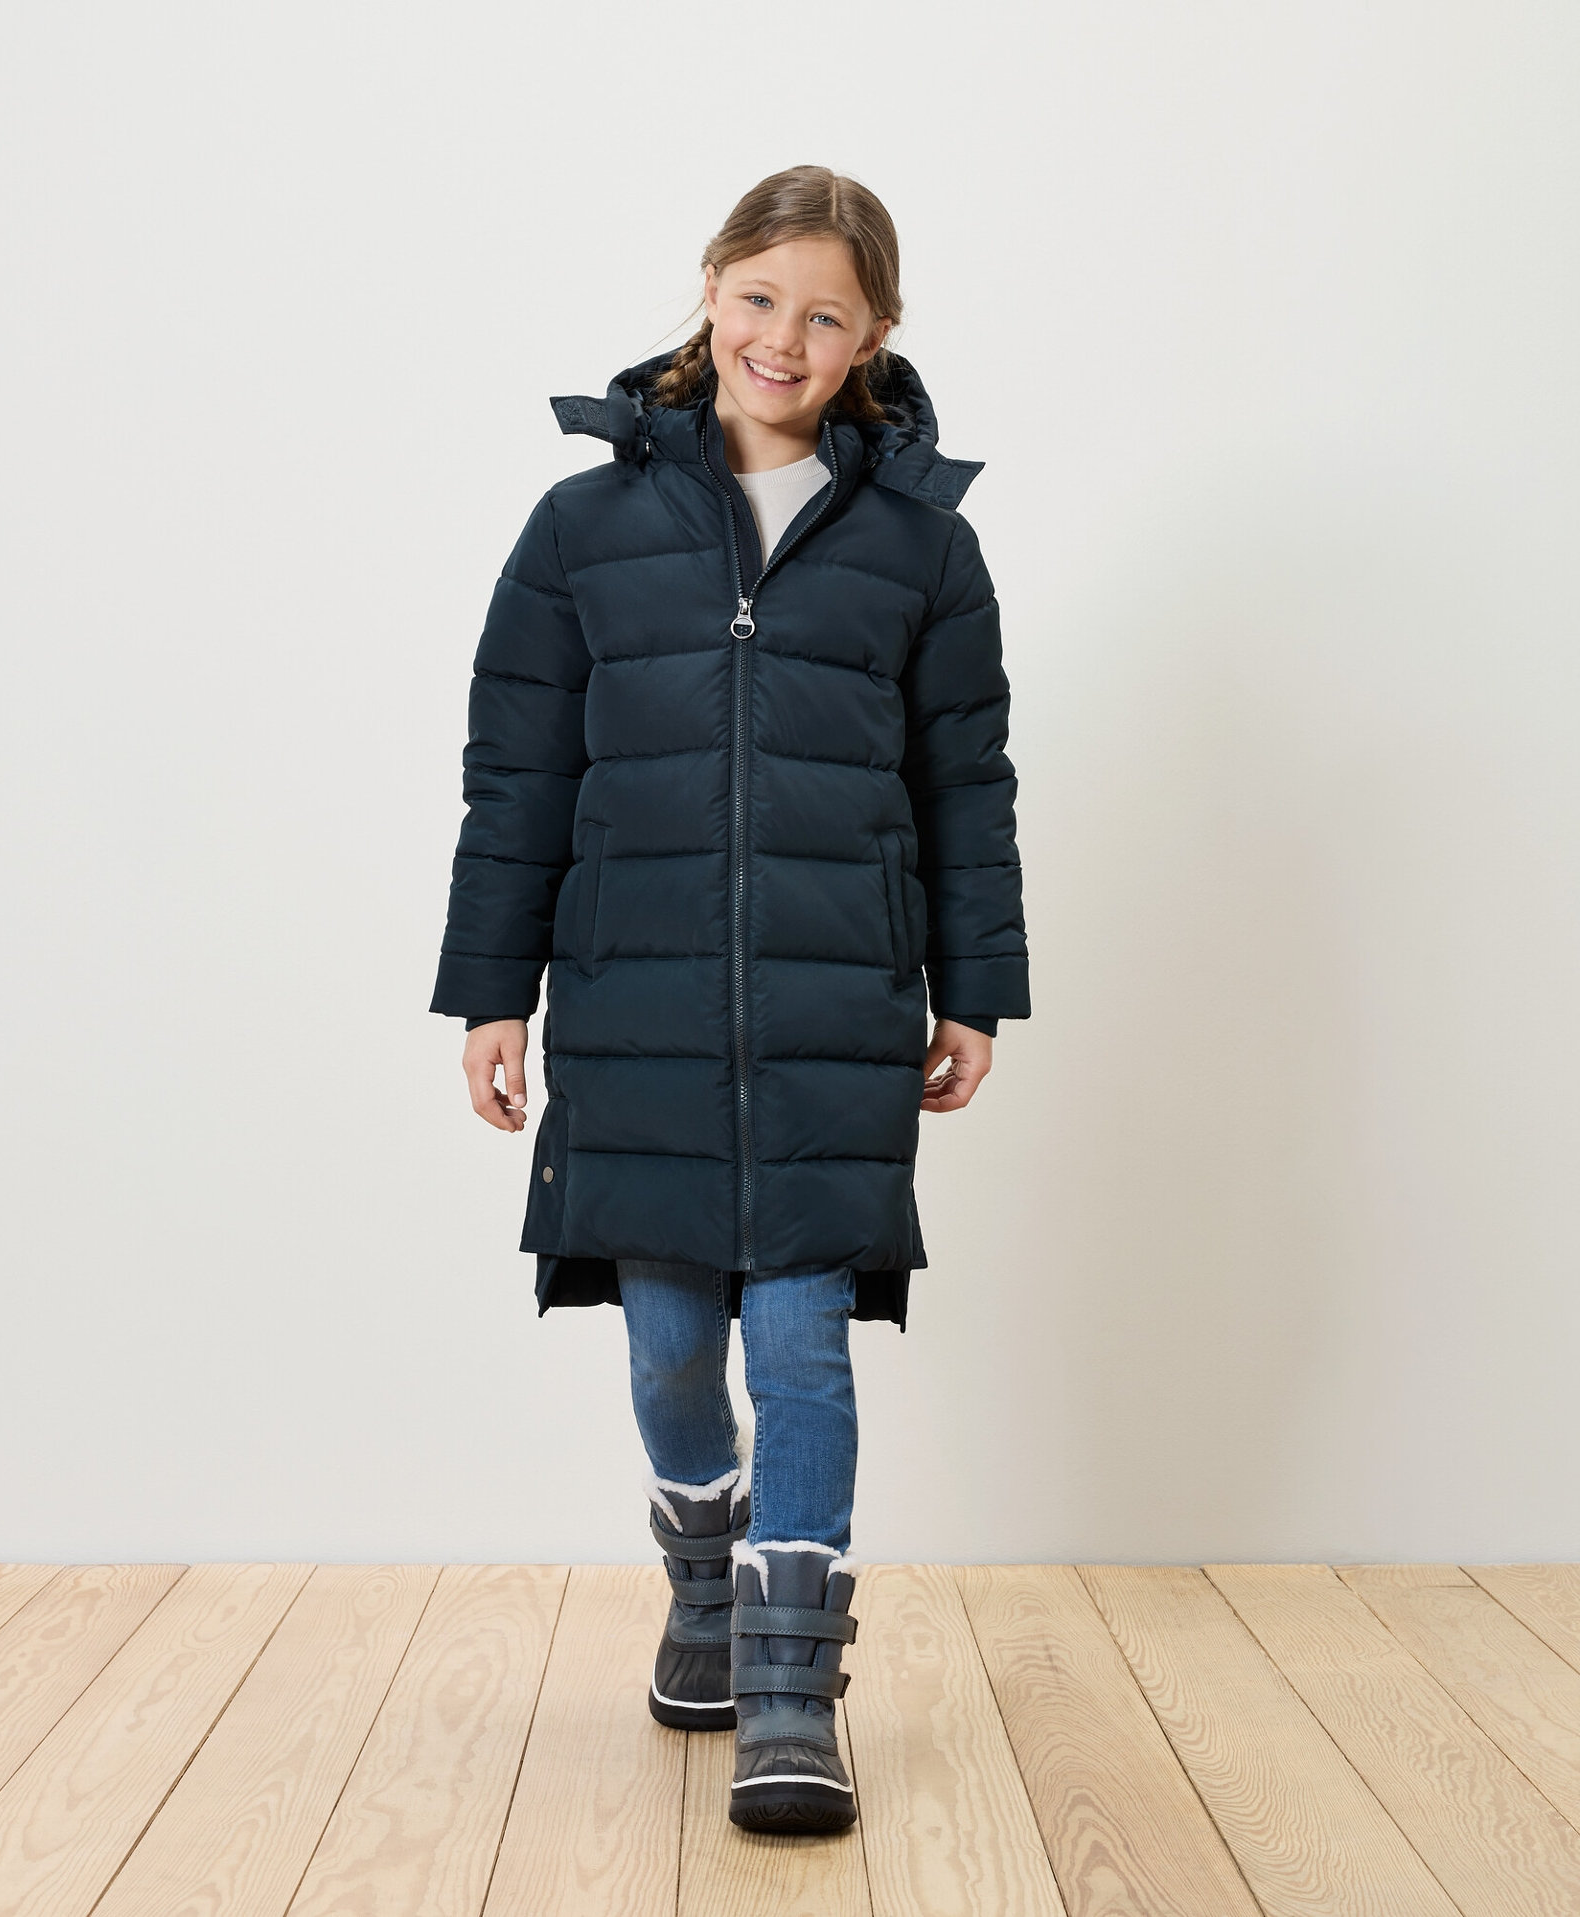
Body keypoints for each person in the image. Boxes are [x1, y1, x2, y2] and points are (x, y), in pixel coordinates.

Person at [432, 165, 1028, 1835]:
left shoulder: (923, 547)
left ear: (873, 335)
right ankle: (704, 1578)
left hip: (840, 1013)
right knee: (673, 1349)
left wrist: (977, 987)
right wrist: (490, 992)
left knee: (805, 1347)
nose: (785, 337)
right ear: (710, 290)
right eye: (761, 298)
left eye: (825, 314)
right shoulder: (582, 529)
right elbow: (518, 775)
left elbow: (963, 783)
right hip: (637, 1003)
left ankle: (788, 1691)